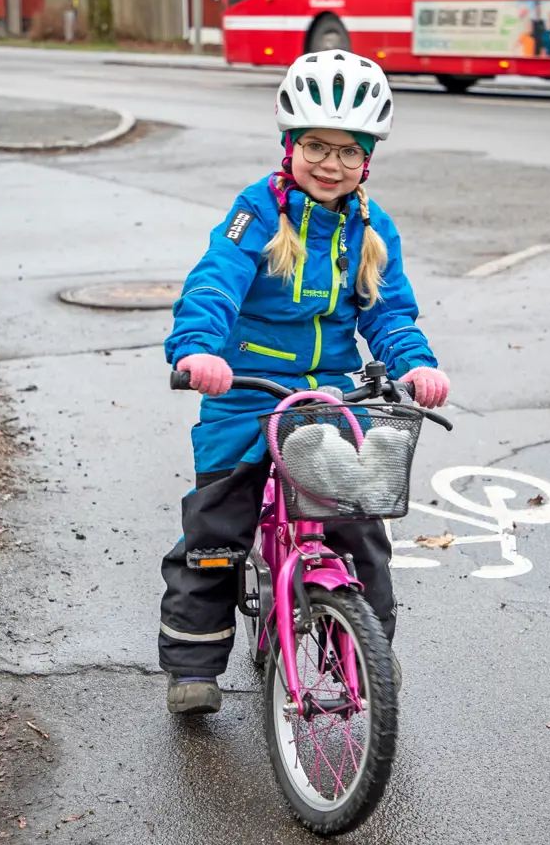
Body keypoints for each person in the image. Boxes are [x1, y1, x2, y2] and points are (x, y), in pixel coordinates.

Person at [158, 50, 451, 715]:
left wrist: (415, 364)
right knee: (216, 531)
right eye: (316, 145)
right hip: (246, 387)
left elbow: (390, 314)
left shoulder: (371, 230)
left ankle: (365, 647)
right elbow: (214, 281)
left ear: (367, 161)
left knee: (360, 527)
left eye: (349, 151)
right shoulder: (257, 211)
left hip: (328, 394)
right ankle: (193, 662)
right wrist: (200, 350)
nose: (331, 163)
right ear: (290, 143)